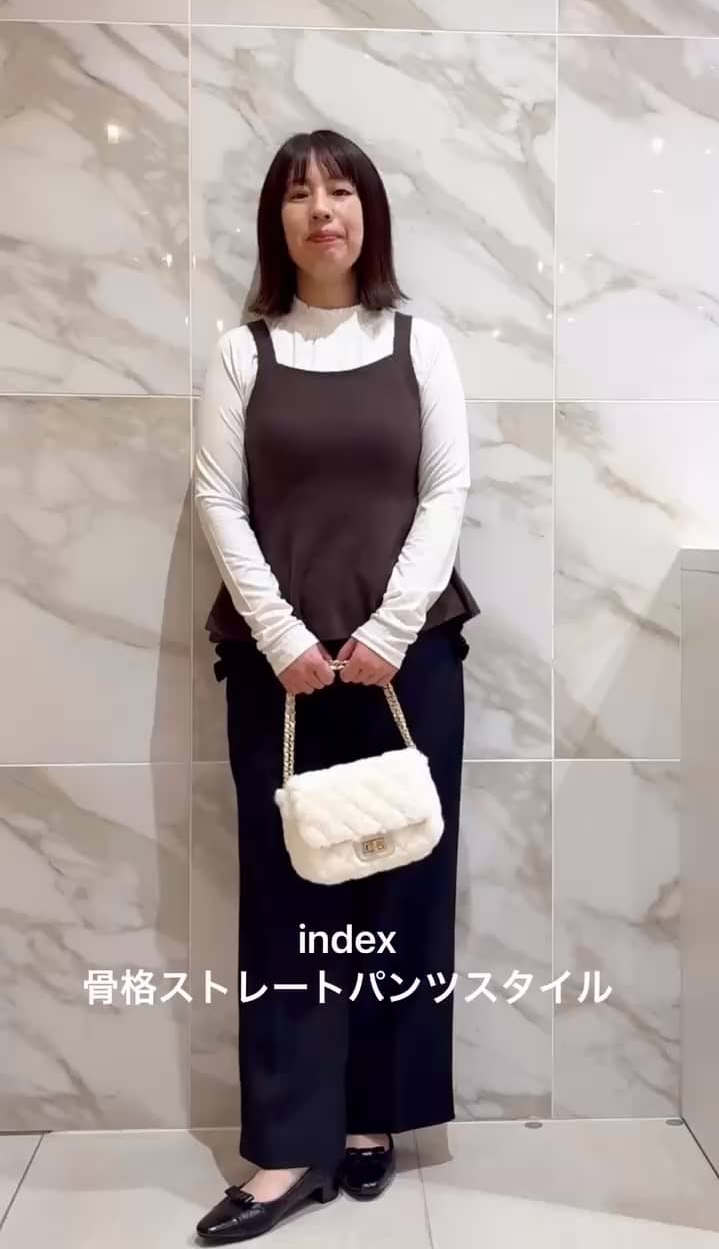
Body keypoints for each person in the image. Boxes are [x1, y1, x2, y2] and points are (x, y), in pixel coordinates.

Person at [193, 128, 480, 1243]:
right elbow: (220, 500)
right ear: (277, 221)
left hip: (410, 660)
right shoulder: (243, 353)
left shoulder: (420, 345)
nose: (323, 209)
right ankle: (286, 1147)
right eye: (300, 193)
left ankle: (372, 1119)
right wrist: (281, 636)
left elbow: (446, 489)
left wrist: (391, 629)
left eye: (342, 189)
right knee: (288, 896)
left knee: (401, 887)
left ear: (370, 213)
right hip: (280, 668)